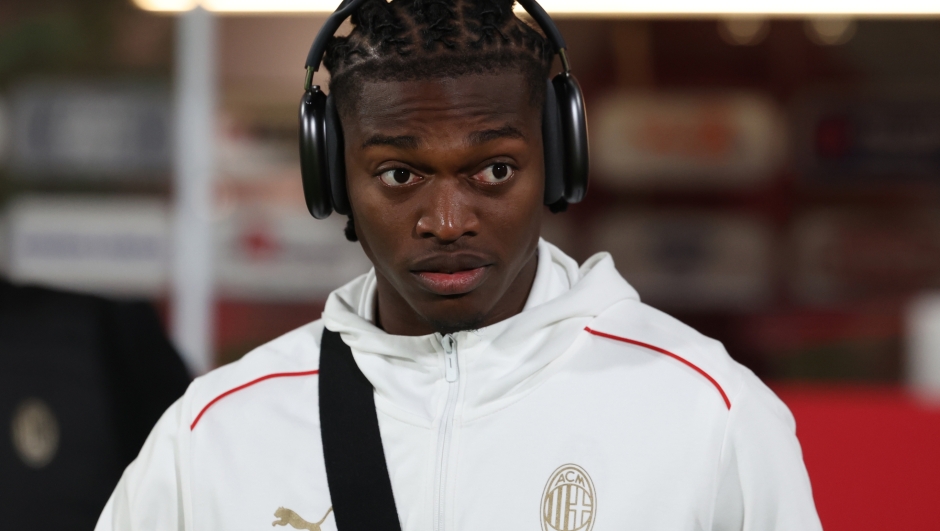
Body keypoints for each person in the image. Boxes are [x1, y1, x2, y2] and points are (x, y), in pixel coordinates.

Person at [95, 1, 822, 530]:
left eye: (495, 170)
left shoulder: (708, 413)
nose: (448, 221)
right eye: (399, 176)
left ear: (559, 162)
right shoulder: (215, 434)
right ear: (331, 177)